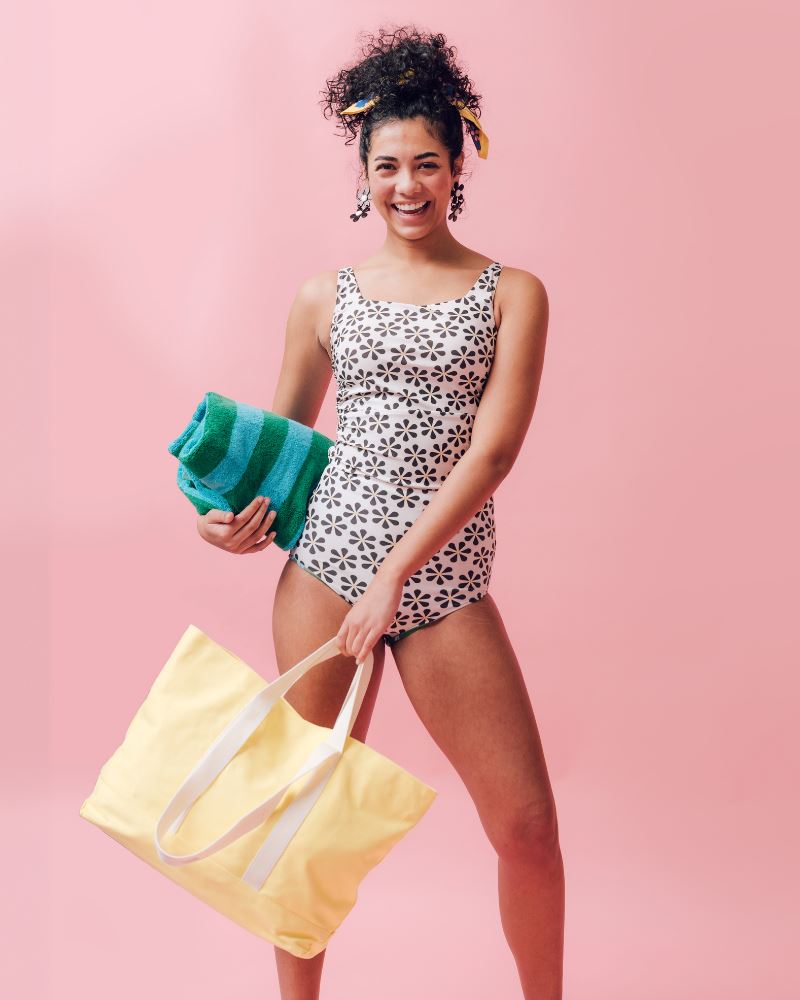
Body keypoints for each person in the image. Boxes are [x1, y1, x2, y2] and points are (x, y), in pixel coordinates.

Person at [197, 25, 560, 1000]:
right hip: (324, 573)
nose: (407, 184)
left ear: (457, 169)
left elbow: (492, 453)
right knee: (302, 817)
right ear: (363, 169)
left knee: (523, 826)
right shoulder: (324, 297)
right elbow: (275, 445)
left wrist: (397, 572)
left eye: (427, 164)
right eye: (388, 164)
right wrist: (224, 519)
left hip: (440, 584)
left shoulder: (510, 294)